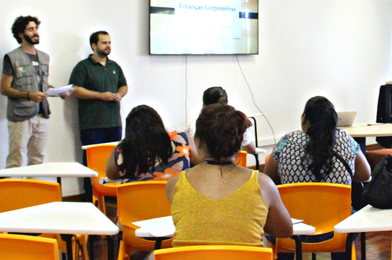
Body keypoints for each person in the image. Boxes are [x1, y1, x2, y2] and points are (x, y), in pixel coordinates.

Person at [166, 103, 292, 247]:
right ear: (239, 144)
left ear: (198, 142)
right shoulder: (263, 184)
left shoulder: (175, 184)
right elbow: (285, 230)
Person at [0, 15, 70, 168]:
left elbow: (41, 84)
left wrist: (58, 92)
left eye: (36, 29)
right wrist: (28, 95)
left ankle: (34, 191)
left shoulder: (44, 57)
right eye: (30, 29)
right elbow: (4, 88)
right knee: (16, 157)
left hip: (42, 114)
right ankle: (14, 191)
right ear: (20, 34)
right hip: (20, 115)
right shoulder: (12, 58)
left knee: (38, 159)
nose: (35, 32)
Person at [69, 31, 128, 200]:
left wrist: (119, 94)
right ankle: (91, 196)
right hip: (92, 123)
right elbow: (75, 89)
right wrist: (100, 95)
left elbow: (124, 86)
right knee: (92, 162)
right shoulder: (83, 67)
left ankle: (112, 195)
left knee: (115, 159)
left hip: (114, 122)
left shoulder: (114, 66)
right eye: (104, 43)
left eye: (109, 42)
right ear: (94, 46)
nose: (108, 46)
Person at [264, 96, 371, 186]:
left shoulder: (287, 141)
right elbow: (365, 174)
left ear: (304, 119)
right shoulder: (345, 139)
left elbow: (268, 179)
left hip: (293, 210)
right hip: (339, 210)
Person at [105, 105, 197, 182]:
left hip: (135, 202)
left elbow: (111, 175)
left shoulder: (122, 149)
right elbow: (200, 161)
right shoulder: (180, 139)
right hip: (174, 201)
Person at [202, 86, 257, 155]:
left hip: (205, 165)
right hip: (232, 163)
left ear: (204, 105)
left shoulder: (197, 124)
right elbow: (252, 149)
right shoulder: (236, 121)